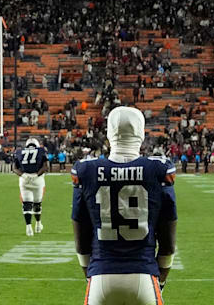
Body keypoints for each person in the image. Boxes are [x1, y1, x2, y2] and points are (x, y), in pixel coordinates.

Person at [72, 106, 177, 304]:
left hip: (101, 275)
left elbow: (80, 233)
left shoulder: (86, 169)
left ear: (110, 133)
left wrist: (89, 273)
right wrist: (161, 277)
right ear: (140, 132)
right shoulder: (158, 169)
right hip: (144, 274)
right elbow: (168, 241)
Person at [14, 137, 49, 236]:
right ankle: (38, 225)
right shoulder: (41, 151)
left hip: (24, 179)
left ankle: (28, 228)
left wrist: (24, 175)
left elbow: (15, 168)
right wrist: (36, 175)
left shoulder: (19, 151)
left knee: (27, 204)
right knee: (37, 203)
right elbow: (45, 167)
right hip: (37, 179)